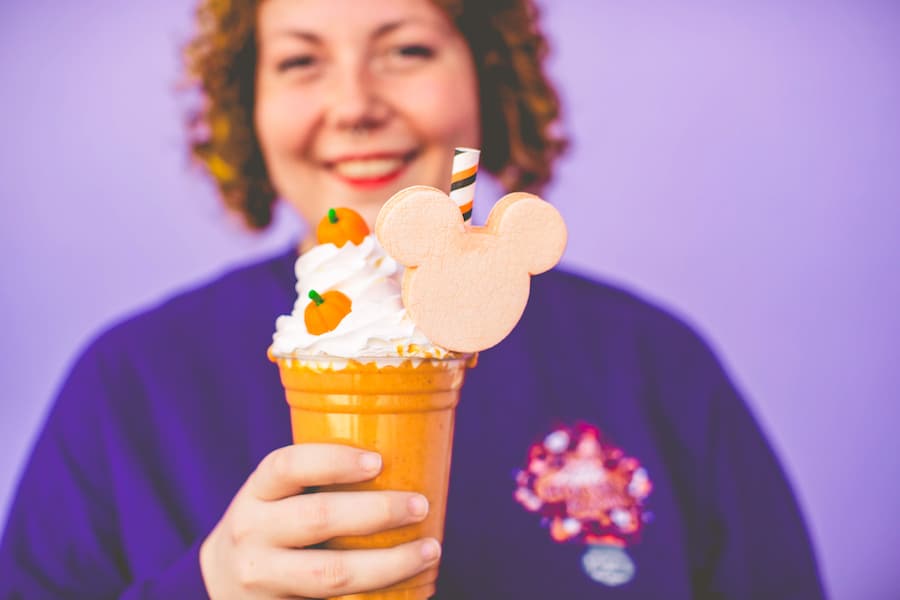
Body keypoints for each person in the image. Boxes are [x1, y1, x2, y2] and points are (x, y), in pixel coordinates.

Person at [0, 0, 825, 597]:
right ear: (244, 107)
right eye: (299, 60)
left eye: (406, 50)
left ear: (487, 79)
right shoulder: (130, 383)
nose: (356, 104)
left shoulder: (653, 364)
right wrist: (205, 589)